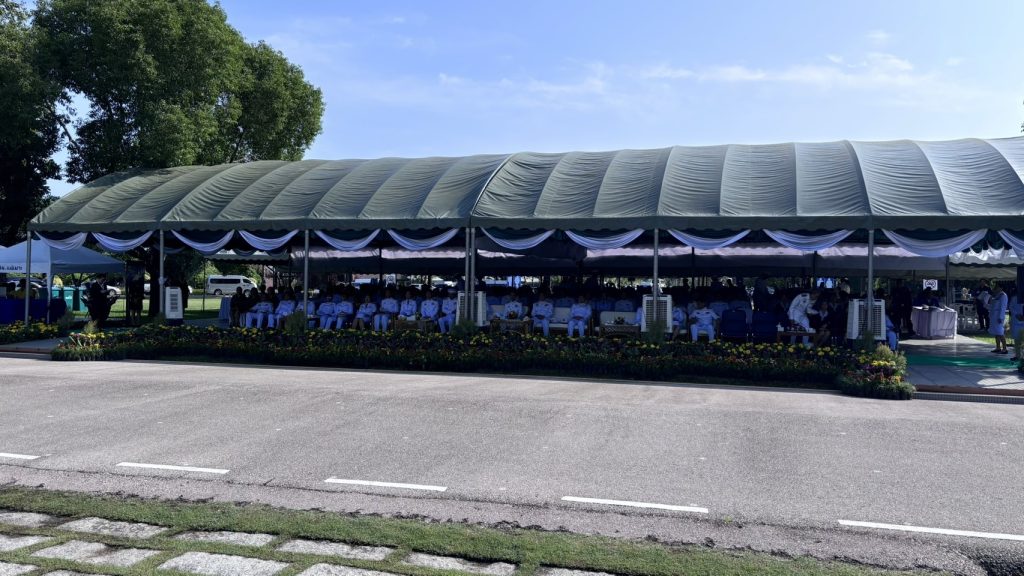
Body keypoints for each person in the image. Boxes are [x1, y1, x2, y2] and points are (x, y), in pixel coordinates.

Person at [989, 283, 1009, 354]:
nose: (995, 288)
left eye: (997, 287)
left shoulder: (1003, 295)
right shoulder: (997, 295)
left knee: (1000, 332)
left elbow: (1002, 307)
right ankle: (998, 347)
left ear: (1001, 288)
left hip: (999, 316)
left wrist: (1000, 317)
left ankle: (1005, 349)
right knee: (996, 332)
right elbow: (992, 305)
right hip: (994, 316)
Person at [1009, 287, 1024, 361]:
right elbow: (1011, 307)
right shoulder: (1014, 298)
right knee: (1017, 340)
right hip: (1016, 321)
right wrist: (1016, 314)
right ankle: (1018, 356)